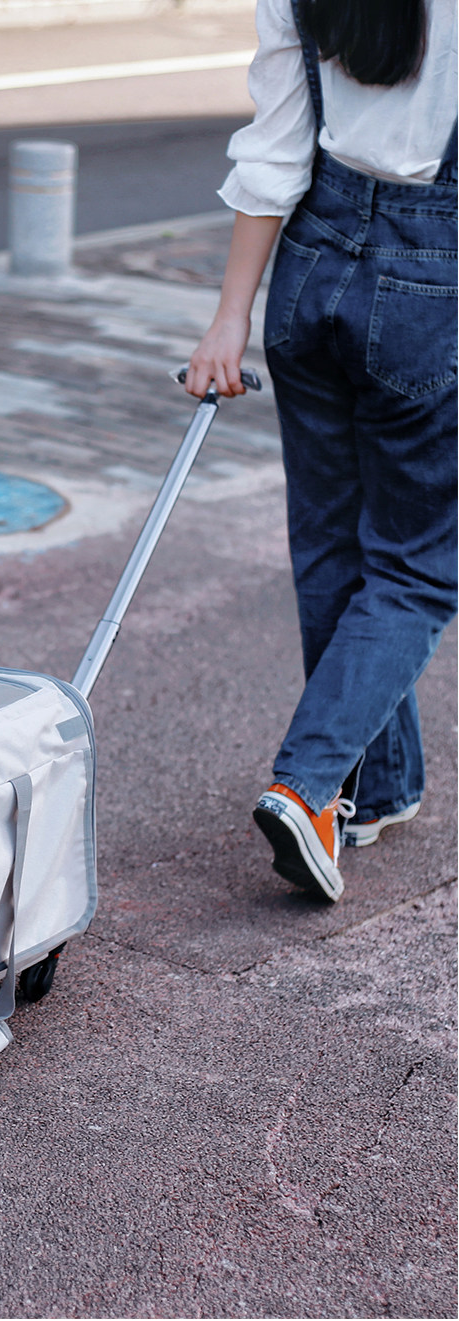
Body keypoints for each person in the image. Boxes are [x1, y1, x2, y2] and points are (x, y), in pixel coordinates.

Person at [186, 0, 458, 903]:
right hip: (430, 280)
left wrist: (229, 317)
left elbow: (274, 149)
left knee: (334, 548)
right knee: (417, 570)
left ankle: (374, 791)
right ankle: (308, 784)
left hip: (309, 268)